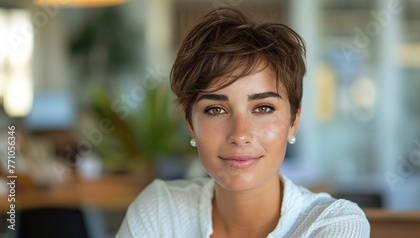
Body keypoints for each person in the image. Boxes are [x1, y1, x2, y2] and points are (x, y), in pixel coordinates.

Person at [117, 7, 370, 238]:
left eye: (263, 108)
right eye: (216, 109)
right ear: (190, 122)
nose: (240, 134)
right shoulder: (160, 211)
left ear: (294, 120)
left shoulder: (334, 225)